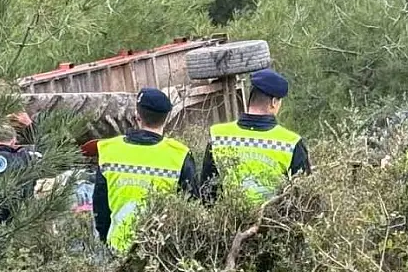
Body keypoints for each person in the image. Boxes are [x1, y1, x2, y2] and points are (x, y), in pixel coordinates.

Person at [92, 88, 198, 253]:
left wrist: (106, 241)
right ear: (166, 118)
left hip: (118, 249)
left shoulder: (109, 151)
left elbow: (100, 207)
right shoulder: (179, 155)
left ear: (137, 116)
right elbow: (193, 208)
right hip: (161, 253)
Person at [199, 69, 310, 205]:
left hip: (230, 224)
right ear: (274, 102)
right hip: (275, 224)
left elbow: (207, 193)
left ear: (251, 98)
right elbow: (304, 200)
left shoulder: (218, 136)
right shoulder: (291, 143)